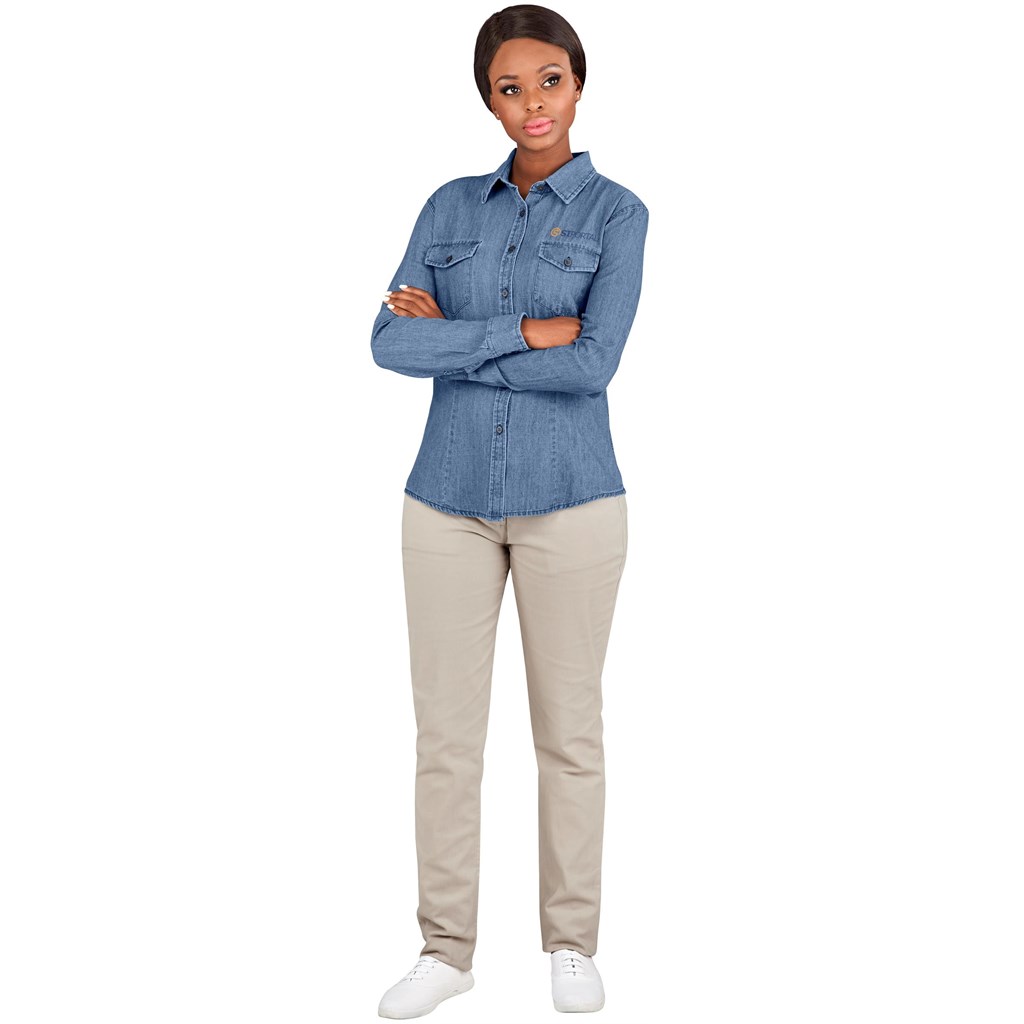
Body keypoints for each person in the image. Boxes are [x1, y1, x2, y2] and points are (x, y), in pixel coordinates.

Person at [370, 4, 648, 1017]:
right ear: (487, 99)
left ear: (578, 83)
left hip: (571, 502)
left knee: (568, 735)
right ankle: (446, 950)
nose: (532, 104)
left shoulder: (618, 214)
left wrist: (459, 335)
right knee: (444, 740)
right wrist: (525, 328)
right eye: (509, 87)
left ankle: (570, 942)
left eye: (549, 81)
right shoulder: (447, 208)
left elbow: (593, 363)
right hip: (443, 501)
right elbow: (387, 343)